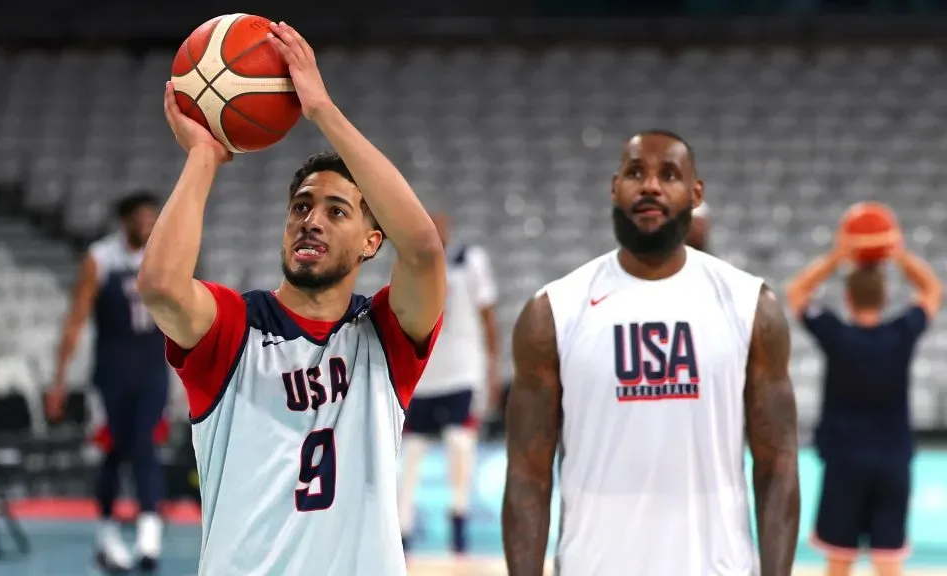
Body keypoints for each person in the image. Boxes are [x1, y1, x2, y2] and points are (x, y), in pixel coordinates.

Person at [139, 21, 445, 576]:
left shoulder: (386, 339)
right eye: (301, 207)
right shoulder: (234, 327)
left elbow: (424, 249)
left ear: (373, 241)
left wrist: (322, 109)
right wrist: (203, 157)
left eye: (336, 211)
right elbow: (160, 287)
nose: (311, 221)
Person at [502, 130, 801, 576]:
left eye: (669, 174)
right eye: (635, 172)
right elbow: (528, 474)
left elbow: (777, 466)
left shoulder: (751, 306)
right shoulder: (553, 312)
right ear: (614, 186)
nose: (651, 186)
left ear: (695, 193)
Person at [784, 233, 942, 576]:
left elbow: (796, 292)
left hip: (844, 462)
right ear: (885, 297)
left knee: (839, 559)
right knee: (889, 561)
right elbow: (932, 290)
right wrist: (898, 254)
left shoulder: (836, 335)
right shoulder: (901, 334)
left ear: (847, 296)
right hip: (893, 461)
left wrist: (836, 256)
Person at [46, 192, 169, 573]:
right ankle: (107, 535)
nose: (148, 224)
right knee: (113, 453)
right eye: (141, 217)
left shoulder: (164, 255)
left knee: (146, 447)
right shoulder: (100, 259)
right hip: (111, 373)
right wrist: (59, 381)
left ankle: (150, 535)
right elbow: (76, 319)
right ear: (125, 220)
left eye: (153, 217)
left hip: (152, 369)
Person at [397, 212, 500, 556]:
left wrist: (491, 369)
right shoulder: (410, 266)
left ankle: (459, 531)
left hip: (461, 373)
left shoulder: (470, 260)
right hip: (424, 378)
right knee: (409, 456)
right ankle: (403, 535)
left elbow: (488, 318)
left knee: (460, 447)